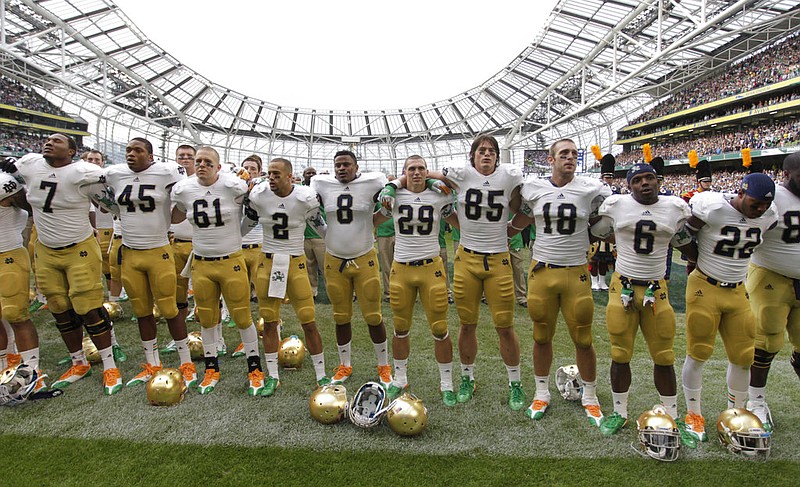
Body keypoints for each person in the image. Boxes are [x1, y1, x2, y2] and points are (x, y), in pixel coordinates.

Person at [1, 133, 122, 395]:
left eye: (57, 141)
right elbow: (16, 183)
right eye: (47, 139)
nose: (49, 142)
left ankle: (110, 365)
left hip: (79, 247)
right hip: (46, 248)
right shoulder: (30, 164)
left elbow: (112, 206)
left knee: (88, 307)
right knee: (59, 308)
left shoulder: (83, 173)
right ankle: (78, 362)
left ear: (71, 152)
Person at [509, 138, 611, 425]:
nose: (570, 157)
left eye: (574, 154)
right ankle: (541, 392)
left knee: (583, 337)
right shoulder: (534, 188)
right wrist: (502, 234)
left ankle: (590, 395)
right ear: (550, 159)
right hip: (542, 271)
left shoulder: (591, 189)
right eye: (563, 153)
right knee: (541, 335)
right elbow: (520, 212)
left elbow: (605, 219)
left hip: (576, 272)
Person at [589, 164, 694, 440]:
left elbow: (687, 241)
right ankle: (620, 412)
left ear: (657, 181)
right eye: (637, 180)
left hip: (656, 288)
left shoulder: (675, 208)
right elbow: (596, 231)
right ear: (629, 185)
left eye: (649, 178)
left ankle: (671, 412)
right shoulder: (615, 205)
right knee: (620, 352)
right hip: (621, 286)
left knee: (664, 355)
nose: (644, 183)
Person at [422, 134, 526, 411]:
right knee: (467, 324)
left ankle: (515, 382)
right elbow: (423, 172)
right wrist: (433, 181)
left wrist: (513, 228)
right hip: (467, 259)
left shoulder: (508, 176)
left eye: (492, 151)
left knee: (505, 326)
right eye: (482, 150)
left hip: (498, 260)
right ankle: (467, 378)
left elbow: (523, 205)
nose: (487, 154)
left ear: (497, 156)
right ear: (473, 156)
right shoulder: (462, 174)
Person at [680, 172, 778, 442]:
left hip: (737, 289)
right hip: (704, 285)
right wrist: (694, 257)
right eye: (755, 204)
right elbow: (683, 233)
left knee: (744, 355)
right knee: (698, 352)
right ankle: (693, 413)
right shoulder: (712, 206)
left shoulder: (770, 216)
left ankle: (736, 412)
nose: (760, 210)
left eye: (764, 206)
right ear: (741, 193)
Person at [102, 137, 197, 388]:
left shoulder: (167, 173)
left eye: (138, 150)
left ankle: (186, 361)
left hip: (158, 250)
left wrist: (173, 214)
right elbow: (102, 200)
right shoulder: (115, 174)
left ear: (150, 155)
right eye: (128, 149)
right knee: (142, 310)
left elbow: (184, 203)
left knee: (170, 308)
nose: (131, 154)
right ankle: (151, 363)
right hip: (131, 252)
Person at [171, 146, 264, 396]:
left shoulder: (234, 185)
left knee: (242, 316)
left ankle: (255, 369)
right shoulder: (184, 188)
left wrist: (237, 234)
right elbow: (176, 215)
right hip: (201, 262)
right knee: (208, 318)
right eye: (199, 161)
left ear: (219, 166)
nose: (202, 165)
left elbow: (254, 213)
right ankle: (211, 369)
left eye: (208, 162)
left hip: (230, 260)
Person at [374, 155, 457, 405]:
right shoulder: (393, 196)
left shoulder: (440, 195)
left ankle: (447, 383)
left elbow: (453, 187)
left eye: (421, 168)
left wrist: (427, 180)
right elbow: (377, 211)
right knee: (400, 327)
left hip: (431, 267)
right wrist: (394, 185)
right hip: (402, 268)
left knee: (440, 328)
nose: (417, 172)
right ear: (404, 172)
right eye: (412, 169)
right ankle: (400, 379)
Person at [245, 157, 330, 395]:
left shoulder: (305, 198)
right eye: (269, 173)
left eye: (276, 174)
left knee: (308, 321)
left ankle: (321, 375)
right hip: (268, 261)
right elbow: (245, 223)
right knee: (269, 321)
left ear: (290, 176)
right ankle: (273, 375)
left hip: (295, 262)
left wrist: (338, 241)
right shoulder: (259, 194)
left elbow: (320, 226)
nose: (271, 178)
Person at [310, 150, 392, 388]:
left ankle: (383, 366)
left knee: (374, 316)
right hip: (334, 260)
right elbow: (311, 213)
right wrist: (328, 235)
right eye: (338, 165)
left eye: (346, 164)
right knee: (341, 317)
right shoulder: (322, 184)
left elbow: (388, 203)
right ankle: (345, 363)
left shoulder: (372, 181)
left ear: (357, 167)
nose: (341, 168)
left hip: (364, 257)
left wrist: (374, 222)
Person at [746, 154, 800, 432]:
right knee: (766, 342)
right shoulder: (772, 196)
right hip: (771, 276)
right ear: (788, 173)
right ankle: (755, 400)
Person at [0, 170, 47, 391]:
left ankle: (33, 372)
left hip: (8, 253)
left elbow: (33, 208)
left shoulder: (5, 183)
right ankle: (6, 364)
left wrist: (19, 181)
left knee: (16, 314)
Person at [84, 150, 127, 362]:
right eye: (89, 159)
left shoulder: (111, 180)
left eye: (96, 160)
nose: (92, 162)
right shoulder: (79, 179)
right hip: (88, 235)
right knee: (102, 273)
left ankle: (116, 303)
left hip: (111, 230)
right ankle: (113, 303)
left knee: (115, 271)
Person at [590, 154, 620, 291]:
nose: (609, 180)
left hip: (609, 226)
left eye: (611, 177)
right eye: (606, 177)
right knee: (594, 257)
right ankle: (593, 280)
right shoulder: (595, 189)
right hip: (596, 224)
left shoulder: (616, 191)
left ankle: (602, 281)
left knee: (605, 259)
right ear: (602, 177)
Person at [301, 167, 326, 299]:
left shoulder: (322, 191)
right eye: (308, 173)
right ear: (303, 175)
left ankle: (333, 290)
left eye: (313, 173)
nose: (310, 175)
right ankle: (313, 291)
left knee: (326, 267)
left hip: (320, 235)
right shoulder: (299, 191)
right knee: (309, 267)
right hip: (305, 236)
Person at [376, 175, 396, 303]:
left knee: (400, 265)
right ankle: (389, 293)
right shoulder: (378, 197)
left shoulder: (400, 195)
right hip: (383, 234)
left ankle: (400, 291)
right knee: (386, 265)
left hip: (399, 234)